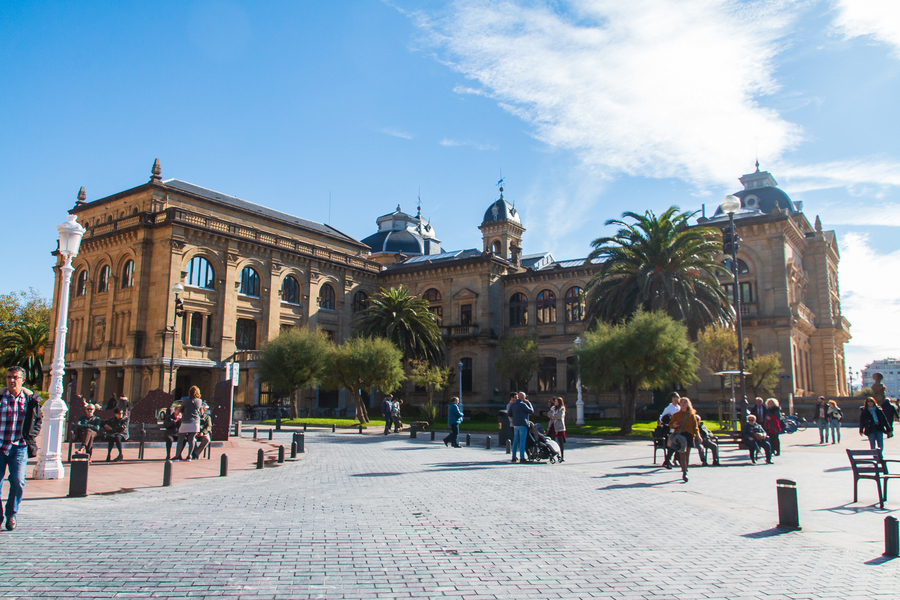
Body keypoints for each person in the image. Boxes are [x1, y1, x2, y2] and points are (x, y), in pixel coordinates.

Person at [0, 366, 43, 532]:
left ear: (22, 380)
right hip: (0, 446)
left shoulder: (31, 400)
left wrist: (30, 436)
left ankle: (11, 513)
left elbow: (38, 420)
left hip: (19, 447)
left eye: (15, 377)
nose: (12, 380)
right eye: (9, 377)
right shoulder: (1, 397)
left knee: (18, 482)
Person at [667, 397, 699, 482]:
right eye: (681, 402)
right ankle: (684, 472)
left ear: (688, 404)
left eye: (685, 402)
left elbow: (695, 427)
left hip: (689, 435)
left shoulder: (692, 415)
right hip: (680, 436)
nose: (683, 404)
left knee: (687, 454)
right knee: (682, 453)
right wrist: (674, 424)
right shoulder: (676, 415)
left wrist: (698, 436)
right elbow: (670, 425)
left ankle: (685, 468)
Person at [174, 386, 202, 461]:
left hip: (186, 421)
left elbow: (181, 409)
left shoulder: (186, 400)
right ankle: (189, 456)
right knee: (192, 439)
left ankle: (177, 455)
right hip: (195, 422)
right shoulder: (199, 401)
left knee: (180, 438)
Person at [508, 391, 534, 463]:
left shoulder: (513, 405)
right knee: (522, 441)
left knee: (515, 441)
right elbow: (531, 411)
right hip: (523, 424)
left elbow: (509, 414)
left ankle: (513, 457)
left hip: (515, 424)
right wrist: (528, 403)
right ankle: (522, 457)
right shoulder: (523, 404)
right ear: (523, 398)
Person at [547, 397, 566, 462]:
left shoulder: (562, 409)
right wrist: (554, 416)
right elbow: (548, 414)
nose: (555, 402)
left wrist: (553, 416)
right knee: (553, 441)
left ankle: (562, 455)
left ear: (559, 402)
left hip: (559, 427)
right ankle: (553, 455)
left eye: (556, 401)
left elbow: (559, 416)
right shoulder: (553, 408)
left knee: (561, 441)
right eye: (555, 401)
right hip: (553, 426)